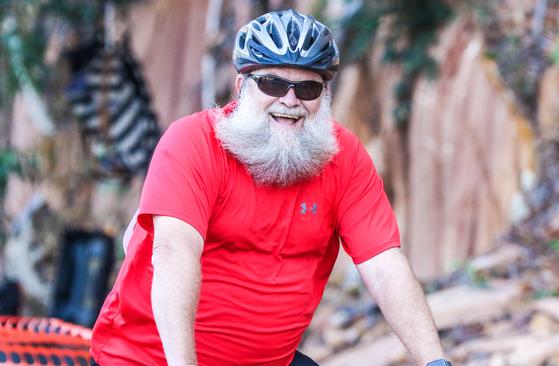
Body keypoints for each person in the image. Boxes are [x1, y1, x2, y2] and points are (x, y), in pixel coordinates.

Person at [90, 9, 452, 366]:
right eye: (273, 83)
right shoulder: (193, 142)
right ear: (241, 85)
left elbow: (384, 265)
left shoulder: (343, 157)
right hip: (147, 359)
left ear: (324, 96)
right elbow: (174, 253)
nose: (290, 100)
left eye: (307, 87)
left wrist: (435, 362)